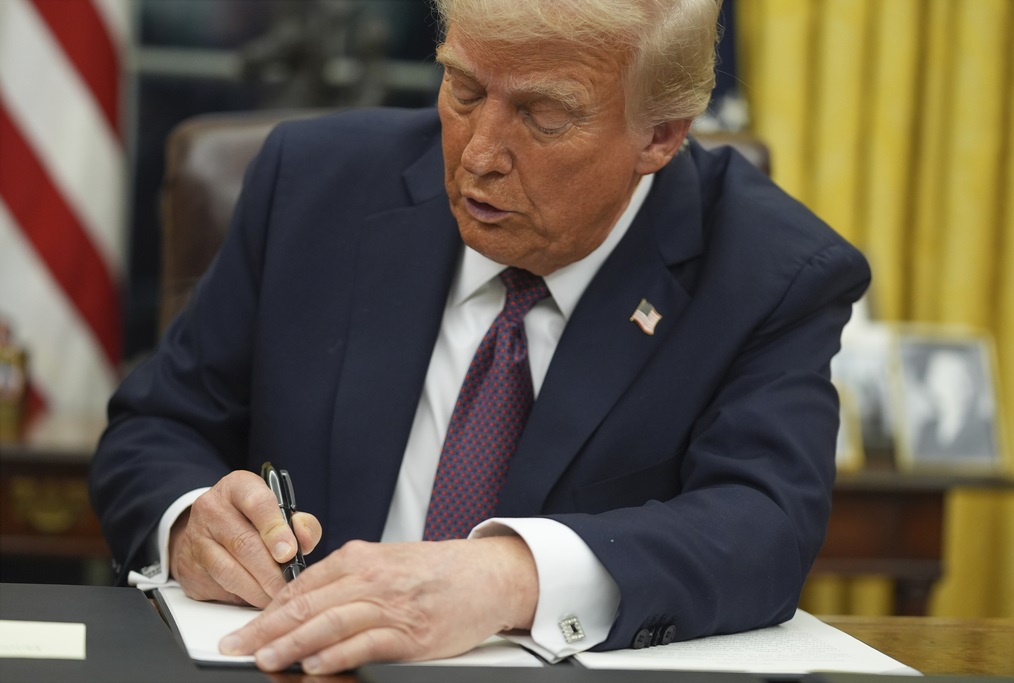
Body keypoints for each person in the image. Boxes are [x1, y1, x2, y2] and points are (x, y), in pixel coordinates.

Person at [89, 0, 871, 675]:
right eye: (462, 89)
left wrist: (508, 574)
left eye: (543, 115)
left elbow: (763, 527)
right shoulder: (312, 184)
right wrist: (191, 520)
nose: (478, 155)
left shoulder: (772, 273)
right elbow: (157, 427)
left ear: (660, 136)